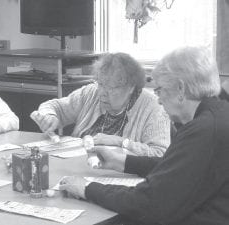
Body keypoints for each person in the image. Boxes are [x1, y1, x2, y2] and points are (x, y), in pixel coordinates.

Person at [59, 46, 229, 225]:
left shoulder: (203, 131)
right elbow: (177, 168)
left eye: (160, 90)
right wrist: (123, 162)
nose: (159, 99)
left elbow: (150, 203)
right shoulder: (217, 116)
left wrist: (87, 188)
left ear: (180, 89)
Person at [31, 53, 170, 157]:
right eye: (101, 84)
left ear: (131, 87)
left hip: (121, 179)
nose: (102, 92)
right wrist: (50, 116)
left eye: (112, 87)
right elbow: (55, 106)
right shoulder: (91, 92)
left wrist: (121, 142)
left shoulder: (153, 107)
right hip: (80, 168)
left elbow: (160, 154)